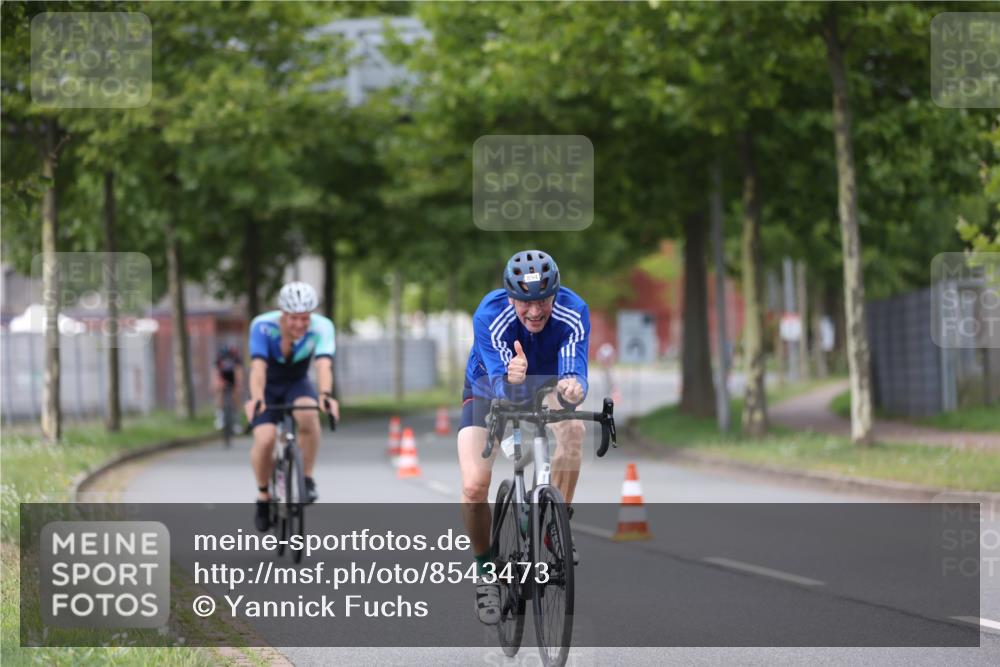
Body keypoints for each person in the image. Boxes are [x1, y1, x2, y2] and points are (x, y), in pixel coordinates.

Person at [458, 250, 590, 625]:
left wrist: (572, 390)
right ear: (510, 297)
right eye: (525, 302)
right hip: (488, 386)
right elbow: (502, 386)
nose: (535, 311)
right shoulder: (490, 314)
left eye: (544, 300)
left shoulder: (573, 311)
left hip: (545, 381)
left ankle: (556, 525)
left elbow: (574, 369)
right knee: (473, 486)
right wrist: (512, 378)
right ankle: (485, 570)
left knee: (574, 428)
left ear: (556, 294)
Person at [244, 281, 340, 532]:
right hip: (267, 385)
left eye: (305, 318)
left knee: (309, 415)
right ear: (283, 314)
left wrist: (325, 394)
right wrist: (256, 398)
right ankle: (263, 496)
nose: (300, 324)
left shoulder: (322, 327)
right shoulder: (262, 326)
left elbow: (323, 365)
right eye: (294, 318)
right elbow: (258, 368)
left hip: (296, 382)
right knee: (264, 440)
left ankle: (306, 478)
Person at [213, 343, 244, 431]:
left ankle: (237, 421)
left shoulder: (236, 357)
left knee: (235, 395)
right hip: (223, 375)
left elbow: (239, 372)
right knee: (219, 392)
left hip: (233, 376)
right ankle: (220, 415)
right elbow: (215, 373)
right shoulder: (219, 358)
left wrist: (238, 385)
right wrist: (216, 384)